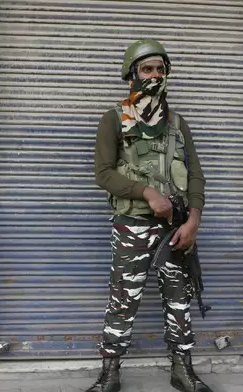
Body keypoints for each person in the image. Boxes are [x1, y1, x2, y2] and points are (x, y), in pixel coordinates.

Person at [88, 39, 211, 392]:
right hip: (133, 227)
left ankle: (182, 369)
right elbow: (103, 173)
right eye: (147, 69)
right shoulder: (113, 119)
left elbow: (197, 175)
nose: (154, 75)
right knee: (123, 300)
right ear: (132, 74)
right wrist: (146, 192)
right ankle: (110, 373)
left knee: (179, 300)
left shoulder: (177, 123)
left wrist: (194, 221)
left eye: (160, 69)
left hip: (176, 229)